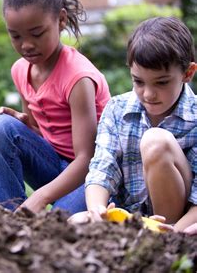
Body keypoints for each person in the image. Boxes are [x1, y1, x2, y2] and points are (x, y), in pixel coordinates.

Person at [0, 0, 110, 214]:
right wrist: (22, 123)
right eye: (15, 36)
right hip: (55, 165)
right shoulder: (20, 70)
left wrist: (39, 197)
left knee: (56, 224)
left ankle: (36, 214)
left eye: (37, 34)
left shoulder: (78, 77)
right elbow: (43, 134)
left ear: (61, 20)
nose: (26, 45)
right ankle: (5, 218)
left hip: (94, 176)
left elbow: (87, 159)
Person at [73, 17, 197, 233]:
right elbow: (102, 169)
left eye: (162, 82)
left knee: (155, 141)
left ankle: (162, 243)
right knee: (75, 222)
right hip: (130, 220)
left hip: (178, 225)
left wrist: (175, 233)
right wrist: (97, 211)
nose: (148, 94)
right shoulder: (117, 109)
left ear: (188, 73)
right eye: (139, 81)